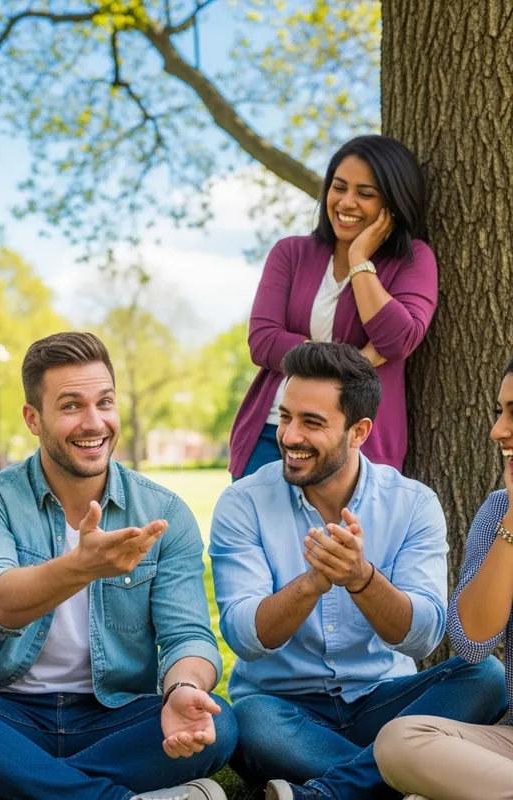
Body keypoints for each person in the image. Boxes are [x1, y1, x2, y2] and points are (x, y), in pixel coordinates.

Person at [0, 331, 237, 800]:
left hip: (112, 716)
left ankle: (9, 779)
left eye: (104, 402)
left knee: (220, 719)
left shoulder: (165, 512)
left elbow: (187, 636)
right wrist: (81, 566)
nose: (94, 423)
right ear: (34, 418)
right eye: (71, 406)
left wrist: (182, 690)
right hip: (5, 714)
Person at [209, 342, 506, 800]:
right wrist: (313, 583)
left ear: (358, 431)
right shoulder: (243, 502)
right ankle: (400, 769)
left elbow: (423, 636)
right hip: (285, 710)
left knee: (484, 677)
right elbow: (244, 638)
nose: (289, 437)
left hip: (384, 699)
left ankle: (335, 788)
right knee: (247, 721)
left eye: (312, 423)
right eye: (286, 417)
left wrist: (361, 580)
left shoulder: (413, 503)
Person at [229, 135, 437, 480]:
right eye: (339, 187)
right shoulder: (291, 253)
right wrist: (360, 360)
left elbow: (398, 341)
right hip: (273, 433)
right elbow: (263, 341)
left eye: (365, 194)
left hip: (355, 442)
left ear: (394, 202)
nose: (347, 202)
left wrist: (359, 260)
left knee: (339, 536)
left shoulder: (413, 260)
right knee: (252, 534)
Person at [374, 357, 513, 800]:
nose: (498, 431)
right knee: (400, 743)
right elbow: (472, 642)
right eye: (499, 412)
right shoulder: (497, 512)